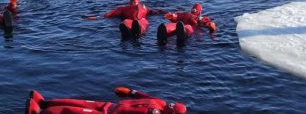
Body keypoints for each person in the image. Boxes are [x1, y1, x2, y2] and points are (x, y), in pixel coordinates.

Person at [25, 87, 187, 114]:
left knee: (74, 111)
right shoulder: (159, 103)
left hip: (106, 112)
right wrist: (130, 91)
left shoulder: (159, 106)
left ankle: (40, 111)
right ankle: (44, 102)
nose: (168, 104)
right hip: (109, 106)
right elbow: (142, 96)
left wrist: (131, 92)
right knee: (77, 103)